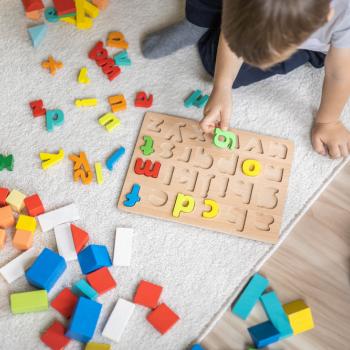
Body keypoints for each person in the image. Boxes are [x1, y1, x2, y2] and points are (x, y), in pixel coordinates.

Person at [142, 0, 350, 159]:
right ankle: (198, 21)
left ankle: (302, 50)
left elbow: (339, 74)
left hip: (322, 44)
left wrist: (328, 121)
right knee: (221, 63)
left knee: (217, 63)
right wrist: (222, 86)